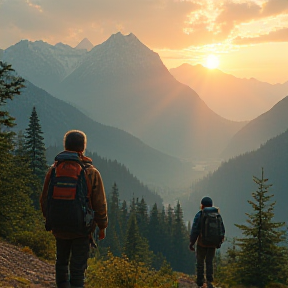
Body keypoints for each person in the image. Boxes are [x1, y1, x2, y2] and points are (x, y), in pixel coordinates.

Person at [40, 130, 108, 288]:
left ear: (65, 146)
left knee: (61, 262)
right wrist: (102, 226)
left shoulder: (54, 170)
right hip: (81, 229)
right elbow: (100, 203)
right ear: (83, 148)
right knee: (78, 269)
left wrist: (50, 219)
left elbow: (44, 199)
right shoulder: (91, 172)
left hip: (59, 226)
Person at [189, 196, 225, 288]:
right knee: (209, 261)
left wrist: (192, 242)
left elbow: (195, 230)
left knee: (200, 262)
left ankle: (200, 282)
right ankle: (209, 281)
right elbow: (222, 229)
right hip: (213, 243)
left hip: (202, 242)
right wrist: (219, 241)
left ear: (202, 205)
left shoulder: (200, 214)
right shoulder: (217, 214)